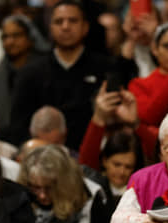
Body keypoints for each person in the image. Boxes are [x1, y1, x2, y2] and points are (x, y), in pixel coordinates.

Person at [10, 0, 112, 150]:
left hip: (92, 156)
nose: (65, 27)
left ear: (85, 27)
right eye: (59, 21)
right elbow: (18, 126)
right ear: (50, 28)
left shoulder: (105, 68)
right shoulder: (30, 72)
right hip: (42, 156)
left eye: (73, 21)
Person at [0, 15, 44, 144]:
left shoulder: (44, 70)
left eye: (16, 35)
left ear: (30, 39)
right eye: (5, 37)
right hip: (3, 145)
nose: (10, 42)